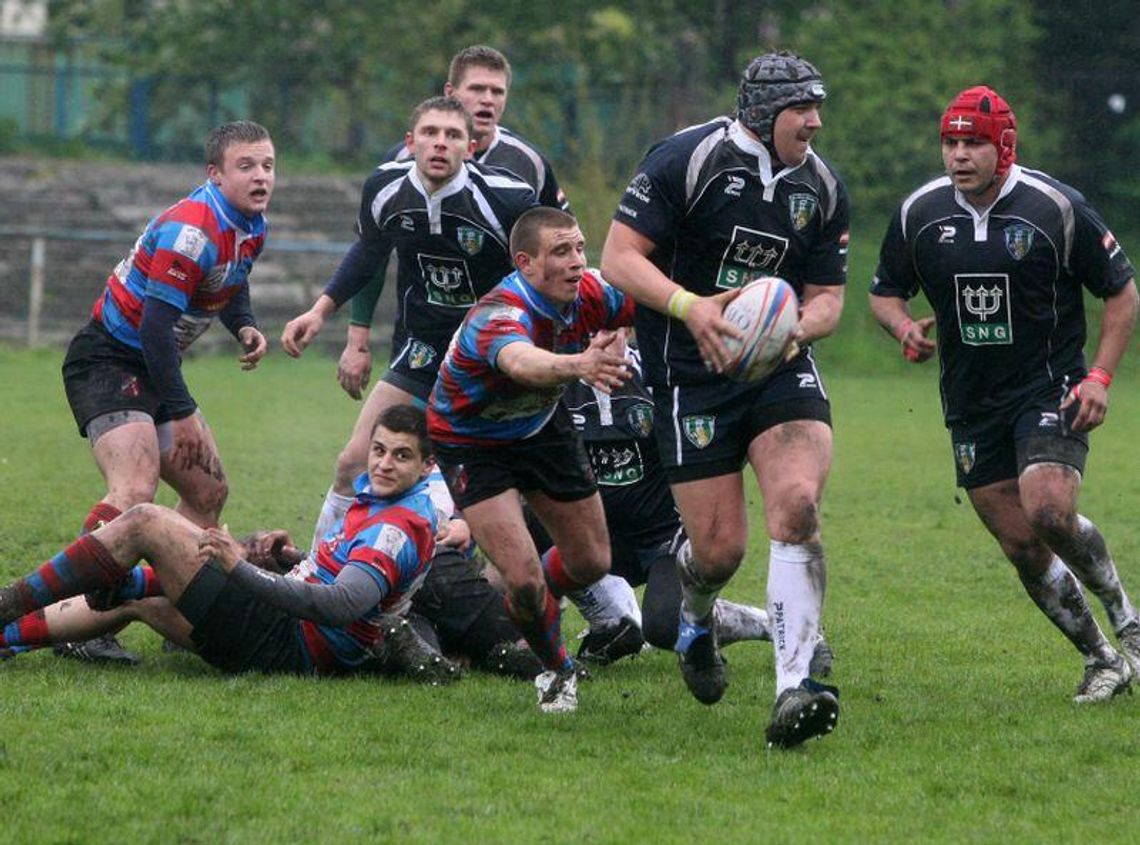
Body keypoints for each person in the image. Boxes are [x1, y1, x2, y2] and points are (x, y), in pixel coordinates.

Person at [599, 50, 848, 748]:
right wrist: (692, 308)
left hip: (779, 369)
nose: (816, 121)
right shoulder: (688, 159)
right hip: (689, 372)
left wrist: (794, 326)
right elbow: (619, 257)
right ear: (765, 115)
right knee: (717, 551)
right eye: (804, 109)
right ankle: (698, 621)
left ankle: (796, 685)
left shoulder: (822, 188)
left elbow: (829, 296)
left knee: (798, 505)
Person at [869, 85, 1140, 702]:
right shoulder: (920, 213)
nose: (959, 155)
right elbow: (884, 292)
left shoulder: (1055, 208)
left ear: (1005, 148)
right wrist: (903, 326)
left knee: (1048, 509)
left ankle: (1130, 622)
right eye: (950, 142)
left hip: (1050, 384)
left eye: (973, 144)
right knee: (1021, 541)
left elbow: (1122, 293)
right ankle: (1103, 661)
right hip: (970, 402)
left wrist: (1099, 377)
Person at [0, 406, 453, 679]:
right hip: (290, 641)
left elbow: (340, 604)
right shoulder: (391, 504)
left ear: (428, 464)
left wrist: (242, 569)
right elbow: (346, 578)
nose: (385, 464)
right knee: (136, 594)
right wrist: (289, 560)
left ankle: (8, 603)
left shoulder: (397, 527)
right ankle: (9, 639)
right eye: (379, 450)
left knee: (145, 522)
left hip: (288, 643)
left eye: (401, 455)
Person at [54, 120, 275, 663]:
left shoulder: (252, 223)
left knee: (207, 494)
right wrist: (186, 410)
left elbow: (231, 281)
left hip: (151, 366)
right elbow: (154, 330)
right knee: (133, 491)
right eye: (245, 166)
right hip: (108, 359)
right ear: (214, 174)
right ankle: (71, 619)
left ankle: (149, 597)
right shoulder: (190, 231)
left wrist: (242, 324)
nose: (261, 176)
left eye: (268, 165)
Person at [280, 95, 537, 554]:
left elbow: (548, 269)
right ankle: (319, 571)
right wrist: (320, 312)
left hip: (494, 356)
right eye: (430, 133)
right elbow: (367, 255)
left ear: (471, 147)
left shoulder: (507, 198)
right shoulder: (384, 188)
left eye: (453, 135)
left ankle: (481, 582)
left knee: (485, 485)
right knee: (353, 462)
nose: (440, 144)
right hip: (423, 347)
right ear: (410, 142)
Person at [427, 207, 635, 712]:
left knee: (592, 561)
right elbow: (523, 362)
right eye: (561, 252)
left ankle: (533, 603)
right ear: (525, 263)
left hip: (540, 429)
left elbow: (636, 306)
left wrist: (624, 331)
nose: (577, 262)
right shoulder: (498, 314)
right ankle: (557, 669)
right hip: (471, 441)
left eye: (580, 248)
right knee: (522, 580)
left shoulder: (590, 291)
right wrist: (581, 364)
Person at [547, 332, 835, 675]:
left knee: (666, 626)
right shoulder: (554, 386)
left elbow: (712, 438)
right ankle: (609, 623)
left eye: (610, 328)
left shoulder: (659, 376)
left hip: (663, 539)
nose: (599, 341)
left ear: (627, 328)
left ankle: (774, 626)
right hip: (596, 539)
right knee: (533, 527)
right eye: (589, 330)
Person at [337, 44, 569, 401]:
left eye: (497, 91)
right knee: (382, 450)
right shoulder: (404, 164)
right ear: (451, 94)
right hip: (421, 338)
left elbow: (560, 247)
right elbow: (373, 253)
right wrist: (358, 338)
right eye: (477, 89)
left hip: (500, 339)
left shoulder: (528, 163)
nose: (487, 100)